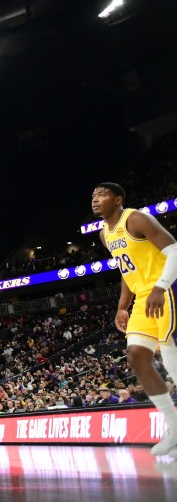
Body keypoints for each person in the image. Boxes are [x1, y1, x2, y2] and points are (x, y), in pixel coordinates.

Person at [93, 182, 177, 456]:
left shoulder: (137, 218)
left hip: (168, 288)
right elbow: (127, 269)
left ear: (118, 200)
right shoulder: (105, 234)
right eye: (93, 195)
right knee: (137, 356)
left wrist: (160, 286)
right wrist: (121, 306)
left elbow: (174, 250)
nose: (95, 199)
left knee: (171, 359)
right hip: (143, 296)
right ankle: (173, 427)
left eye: (102, 194)